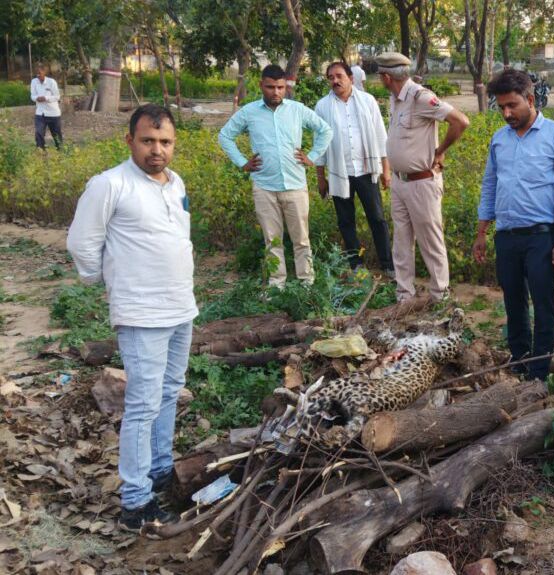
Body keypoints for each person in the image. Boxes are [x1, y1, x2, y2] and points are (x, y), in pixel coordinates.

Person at [67, 104, 197, 532]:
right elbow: (83, 242)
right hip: (141, 312)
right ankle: (136, 502)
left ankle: (160, 471)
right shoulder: (109, 184)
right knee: (141, 404)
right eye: (147, 141)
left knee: (169, 392)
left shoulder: (175, 183)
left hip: (180, 306)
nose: (156, 150)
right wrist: (106, 282)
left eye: (165, 142)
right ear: (129, 141)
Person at [473, 69, 554, 382]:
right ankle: (519, 361)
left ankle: (539, 372)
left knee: (543, 303)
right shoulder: (499, 140)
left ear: (530, 100)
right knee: (513, 301)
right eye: (501, 107)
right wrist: (482, 232)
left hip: (541, 236)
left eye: (512, 106)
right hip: (506, 235)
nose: (506, 113)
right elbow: (490, 185)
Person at [218, 64, 332, 287]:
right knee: (272, 239)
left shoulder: (297, 110)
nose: (276, 92)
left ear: (285, 87)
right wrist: (242, 162)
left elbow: (325, 130)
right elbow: (225, 136)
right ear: (261, 85)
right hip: (264, 186)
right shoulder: (249, 112)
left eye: (280, 87)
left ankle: (306, 283)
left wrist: (312, 156)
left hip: (295, 185)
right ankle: (276, 285)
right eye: (270, 87)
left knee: (301, 239)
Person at [377, 52, 469, 302]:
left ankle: (440, 295)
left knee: (430, 240)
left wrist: (440, 151)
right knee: (401, 241)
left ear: (386, 77)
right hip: (399, 181)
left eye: (380, 76)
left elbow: (460, 121)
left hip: (421, 182)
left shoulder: (420, 97)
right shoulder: (394, 100)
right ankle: (404, 295)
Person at [313, 61, 394, 276]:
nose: (335, 80)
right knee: (346, 221)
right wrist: (321, 178)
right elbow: (320, 145)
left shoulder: (367, 101)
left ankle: (387, 265)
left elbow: (380, 136)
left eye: (339, 76)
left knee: (377, 218)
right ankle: (356, 265)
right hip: (340, 173)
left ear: (351, 78)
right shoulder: (322, 106)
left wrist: (386, 171)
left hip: (367, 170)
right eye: (330, 77)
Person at [30, 63, 62, 150]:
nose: (38, 75)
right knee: (39, 133)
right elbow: (32, 96)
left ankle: (61, 153)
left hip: (53, 113)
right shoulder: (34, 82)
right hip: (40, 113)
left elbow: (57, 96)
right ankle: (41, 152)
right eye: (36, 73)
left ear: (44, 72)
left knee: (56, 135)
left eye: (39, 73)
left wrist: (46, 98)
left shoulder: (51, 82)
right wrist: (37, 98)